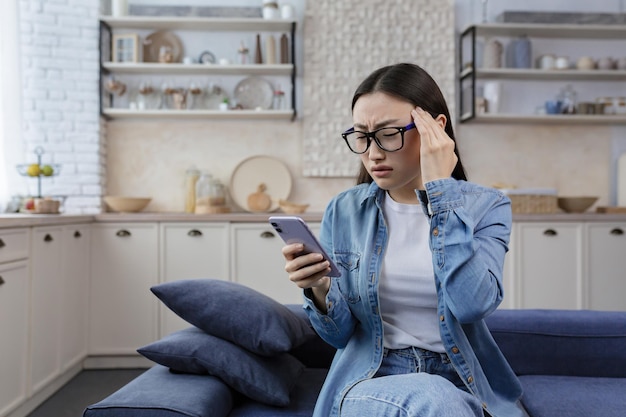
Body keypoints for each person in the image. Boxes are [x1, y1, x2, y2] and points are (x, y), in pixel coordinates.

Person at [281, 63, 528, 417]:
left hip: (463, 380)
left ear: (436, 130)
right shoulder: (345, 210)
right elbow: (338, 336)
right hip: (371, 380)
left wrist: (441, 193)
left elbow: (472, 303)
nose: (373, 153)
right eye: (362, 136)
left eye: (389, 133)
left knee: (442, 398)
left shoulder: (486, 207)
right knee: (434, 397)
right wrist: (319, 288)